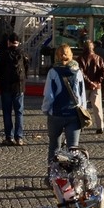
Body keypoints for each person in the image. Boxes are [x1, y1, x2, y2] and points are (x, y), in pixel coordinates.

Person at [41, 44, 88, 172]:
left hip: (56, 113)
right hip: (73, 114)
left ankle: (52, 175)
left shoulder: (53, 72)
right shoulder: (77, 71)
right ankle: (72, 177)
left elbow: (49, 95)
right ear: (71, 54)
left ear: (56, 55)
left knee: (54, 147)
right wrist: (82, 109)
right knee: (73, 149)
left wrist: (46, 110)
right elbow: (81, 95)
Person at [0, 33, 29, 145]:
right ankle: (19, 137)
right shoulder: (23, 54)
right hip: (19, 87)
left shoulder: (4, 54)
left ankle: (8, 136)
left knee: (7, 112)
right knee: (19, 112)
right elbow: (26, 69)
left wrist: (3, 77)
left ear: (8, 42)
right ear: (18, 42)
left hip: (6, 87)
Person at [78, 40, 104, 134]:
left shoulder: (80, 58)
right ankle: (100, 126)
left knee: (82, 107)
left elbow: (81, 73)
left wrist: (90, 82)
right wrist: (97, 82)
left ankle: (82, 125)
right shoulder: (98, 58)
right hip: (96, 86)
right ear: (92, 48)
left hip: (85, 86)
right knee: (97, 107)